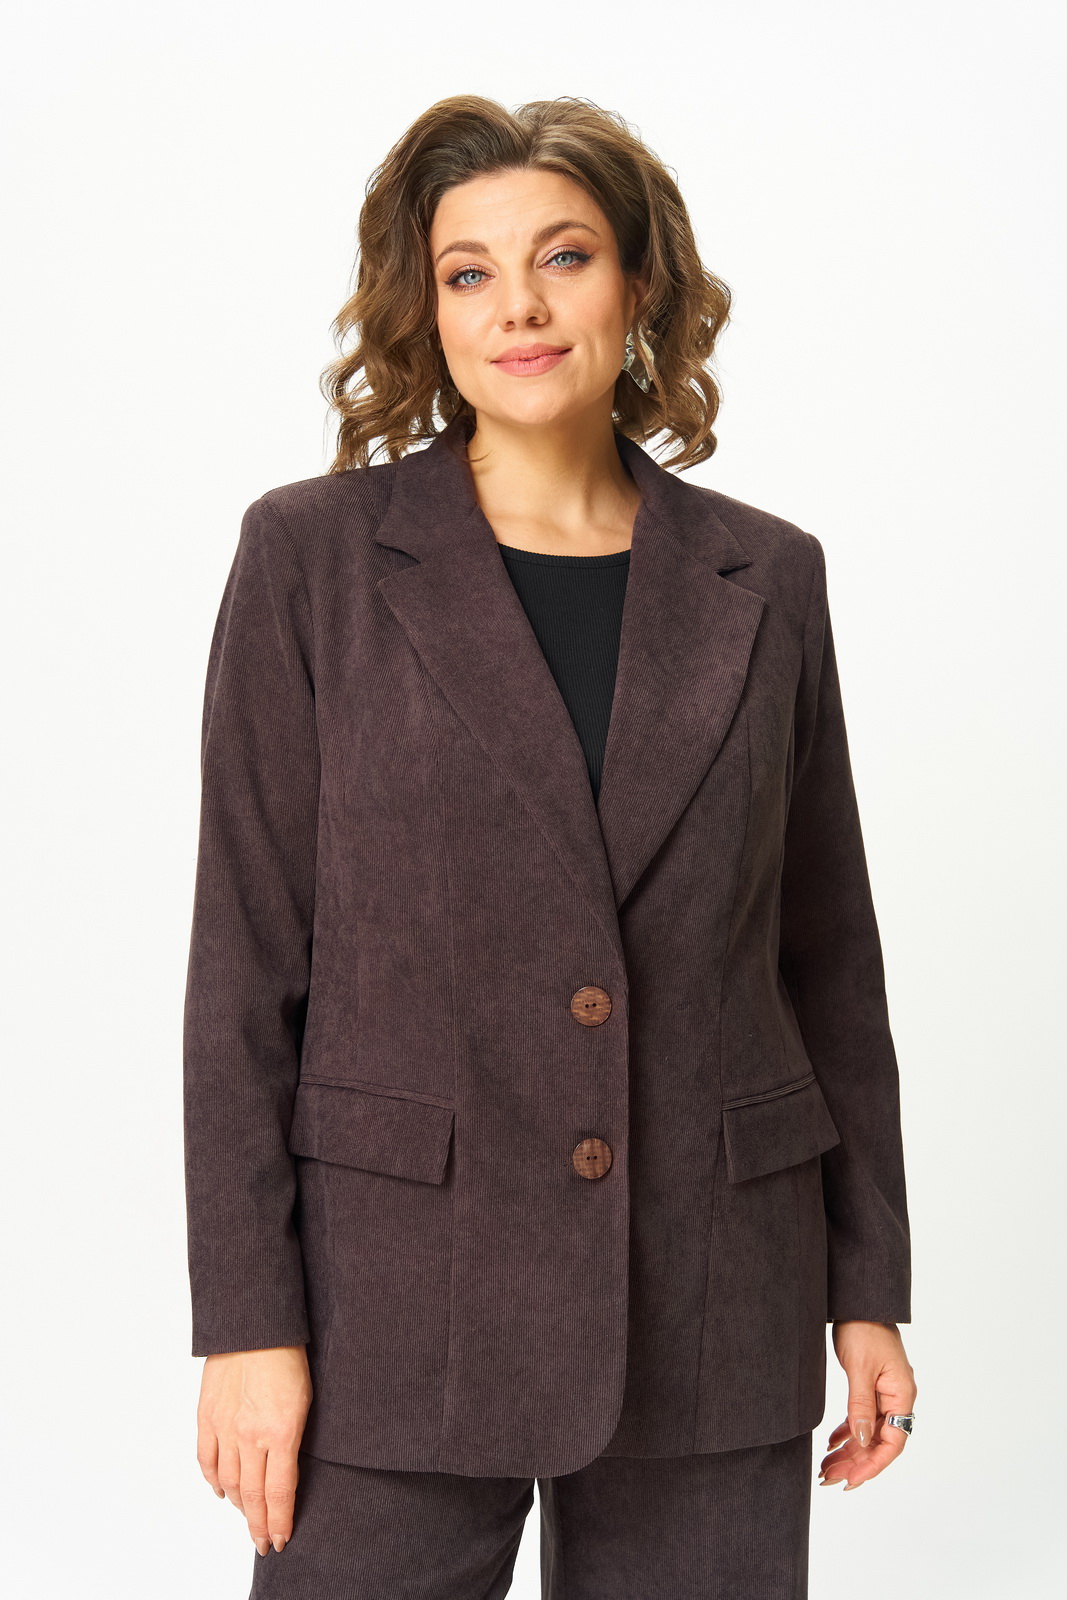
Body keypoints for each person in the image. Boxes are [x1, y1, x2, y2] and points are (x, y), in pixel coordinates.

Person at [183, 94, 918, 1599]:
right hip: (397, 1293)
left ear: (638, 286)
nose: (517, 305)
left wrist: (866, 1287)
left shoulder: (768, 577)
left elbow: (827, 959)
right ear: (427, 310)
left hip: (713, 1280)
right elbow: (246, 965)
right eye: (469, 272)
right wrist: (247, 1324)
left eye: (563, 257)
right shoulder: (312, 560)